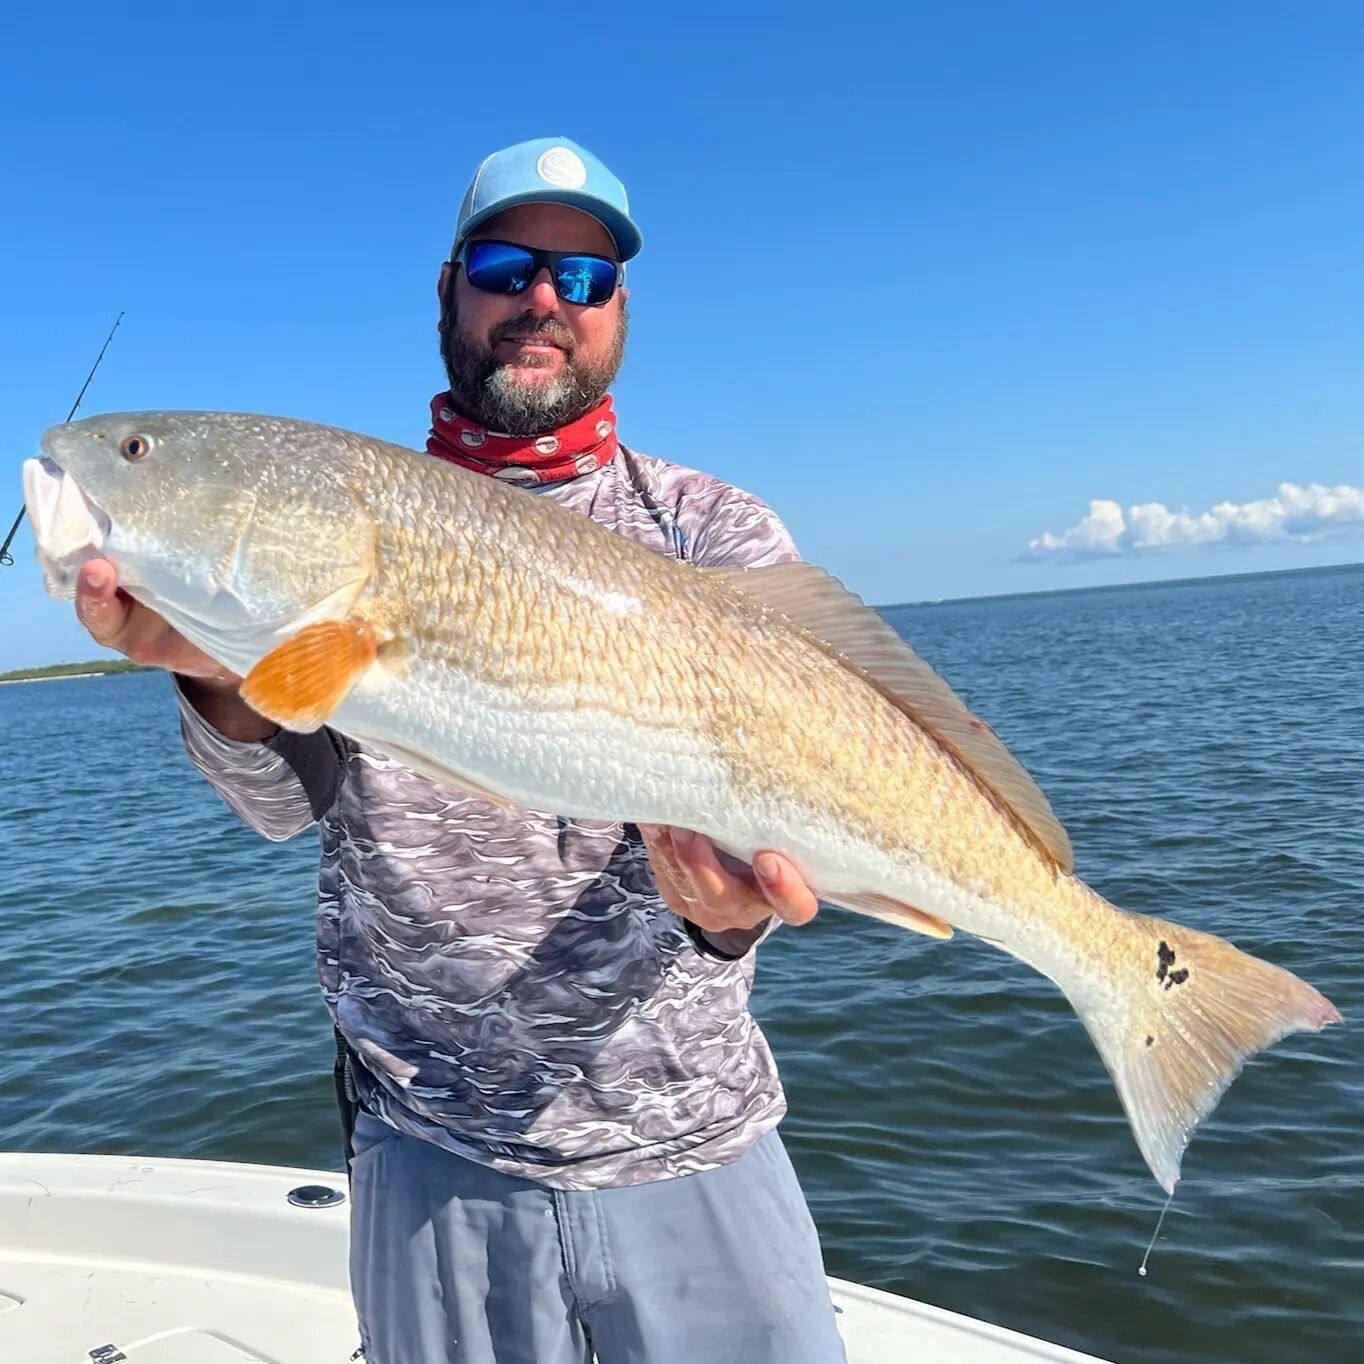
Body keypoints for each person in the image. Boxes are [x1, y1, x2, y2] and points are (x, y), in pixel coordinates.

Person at [73, 136, 847, 1364]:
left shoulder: (708, 528)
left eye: (581, 280)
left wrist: (730, 911)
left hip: (691, 1130)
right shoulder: (344, 512)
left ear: (617, 315)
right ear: (448, 290)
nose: (542, 300)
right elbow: (283, 801)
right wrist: (217, 677)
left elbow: (789, 813)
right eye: (504, 264)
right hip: (429, 1143)